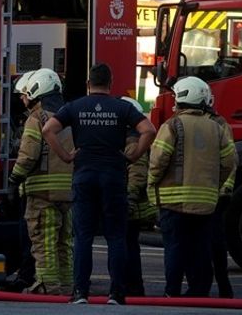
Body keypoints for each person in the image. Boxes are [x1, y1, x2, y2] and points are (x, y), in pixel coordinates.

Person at [43, 63, 156, 306]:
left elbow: (48, 129)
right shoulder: (122, 107)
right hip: (113, 176)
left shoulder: (74, 107)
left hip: (84, 175)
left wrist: (65, 155)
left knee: (82, 237)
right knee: (116, 236)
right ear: (110, 83)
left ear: (88, 84)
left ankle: (80, 293)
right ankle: (116, 293)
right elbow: (148, 129)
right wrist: (134, 155)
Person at [148, 76, 236, 298]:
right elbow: (229, 161)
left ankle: (172, 292)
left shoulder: (172, 125)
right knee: (201, 249)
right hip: (206, 202)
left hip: (173, 202)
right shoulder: (216, 127)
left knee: (175, 248)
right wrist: (215, 184)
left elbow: (158, 160)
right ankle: (199, 292)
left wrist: (153, 184)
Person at [7, 68, 74, 295]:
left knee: (44, 244)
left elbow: (28, 156)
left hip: (42, 195)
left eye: (25, 94)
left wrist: (14, 179)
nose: (23, 99)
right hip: (68, 194)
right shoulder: (69, 116)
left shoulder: (37, 118)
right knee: (64, 244)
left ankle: (47, 286)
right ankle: (66, 286)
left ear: (36, 91)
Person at [120, 96, 156, 299]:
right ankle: (132, 286)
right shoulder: (133, 138)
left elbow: (137, 173)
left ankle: (132, 288)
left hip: (132, 207)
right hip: (133, 205)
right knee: (129, 246)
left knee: (128, 247)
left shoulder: (133, 141)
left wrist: (130, 199)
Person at [205, 97, 236, 298]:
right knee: (216, 242)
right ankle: (224, 287)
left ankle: (205, 286)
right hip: (218, 191)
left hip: (208, 193)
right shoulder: (220, 123)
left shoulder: (208, 124)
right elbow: (231, 158)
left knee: (205, 242)